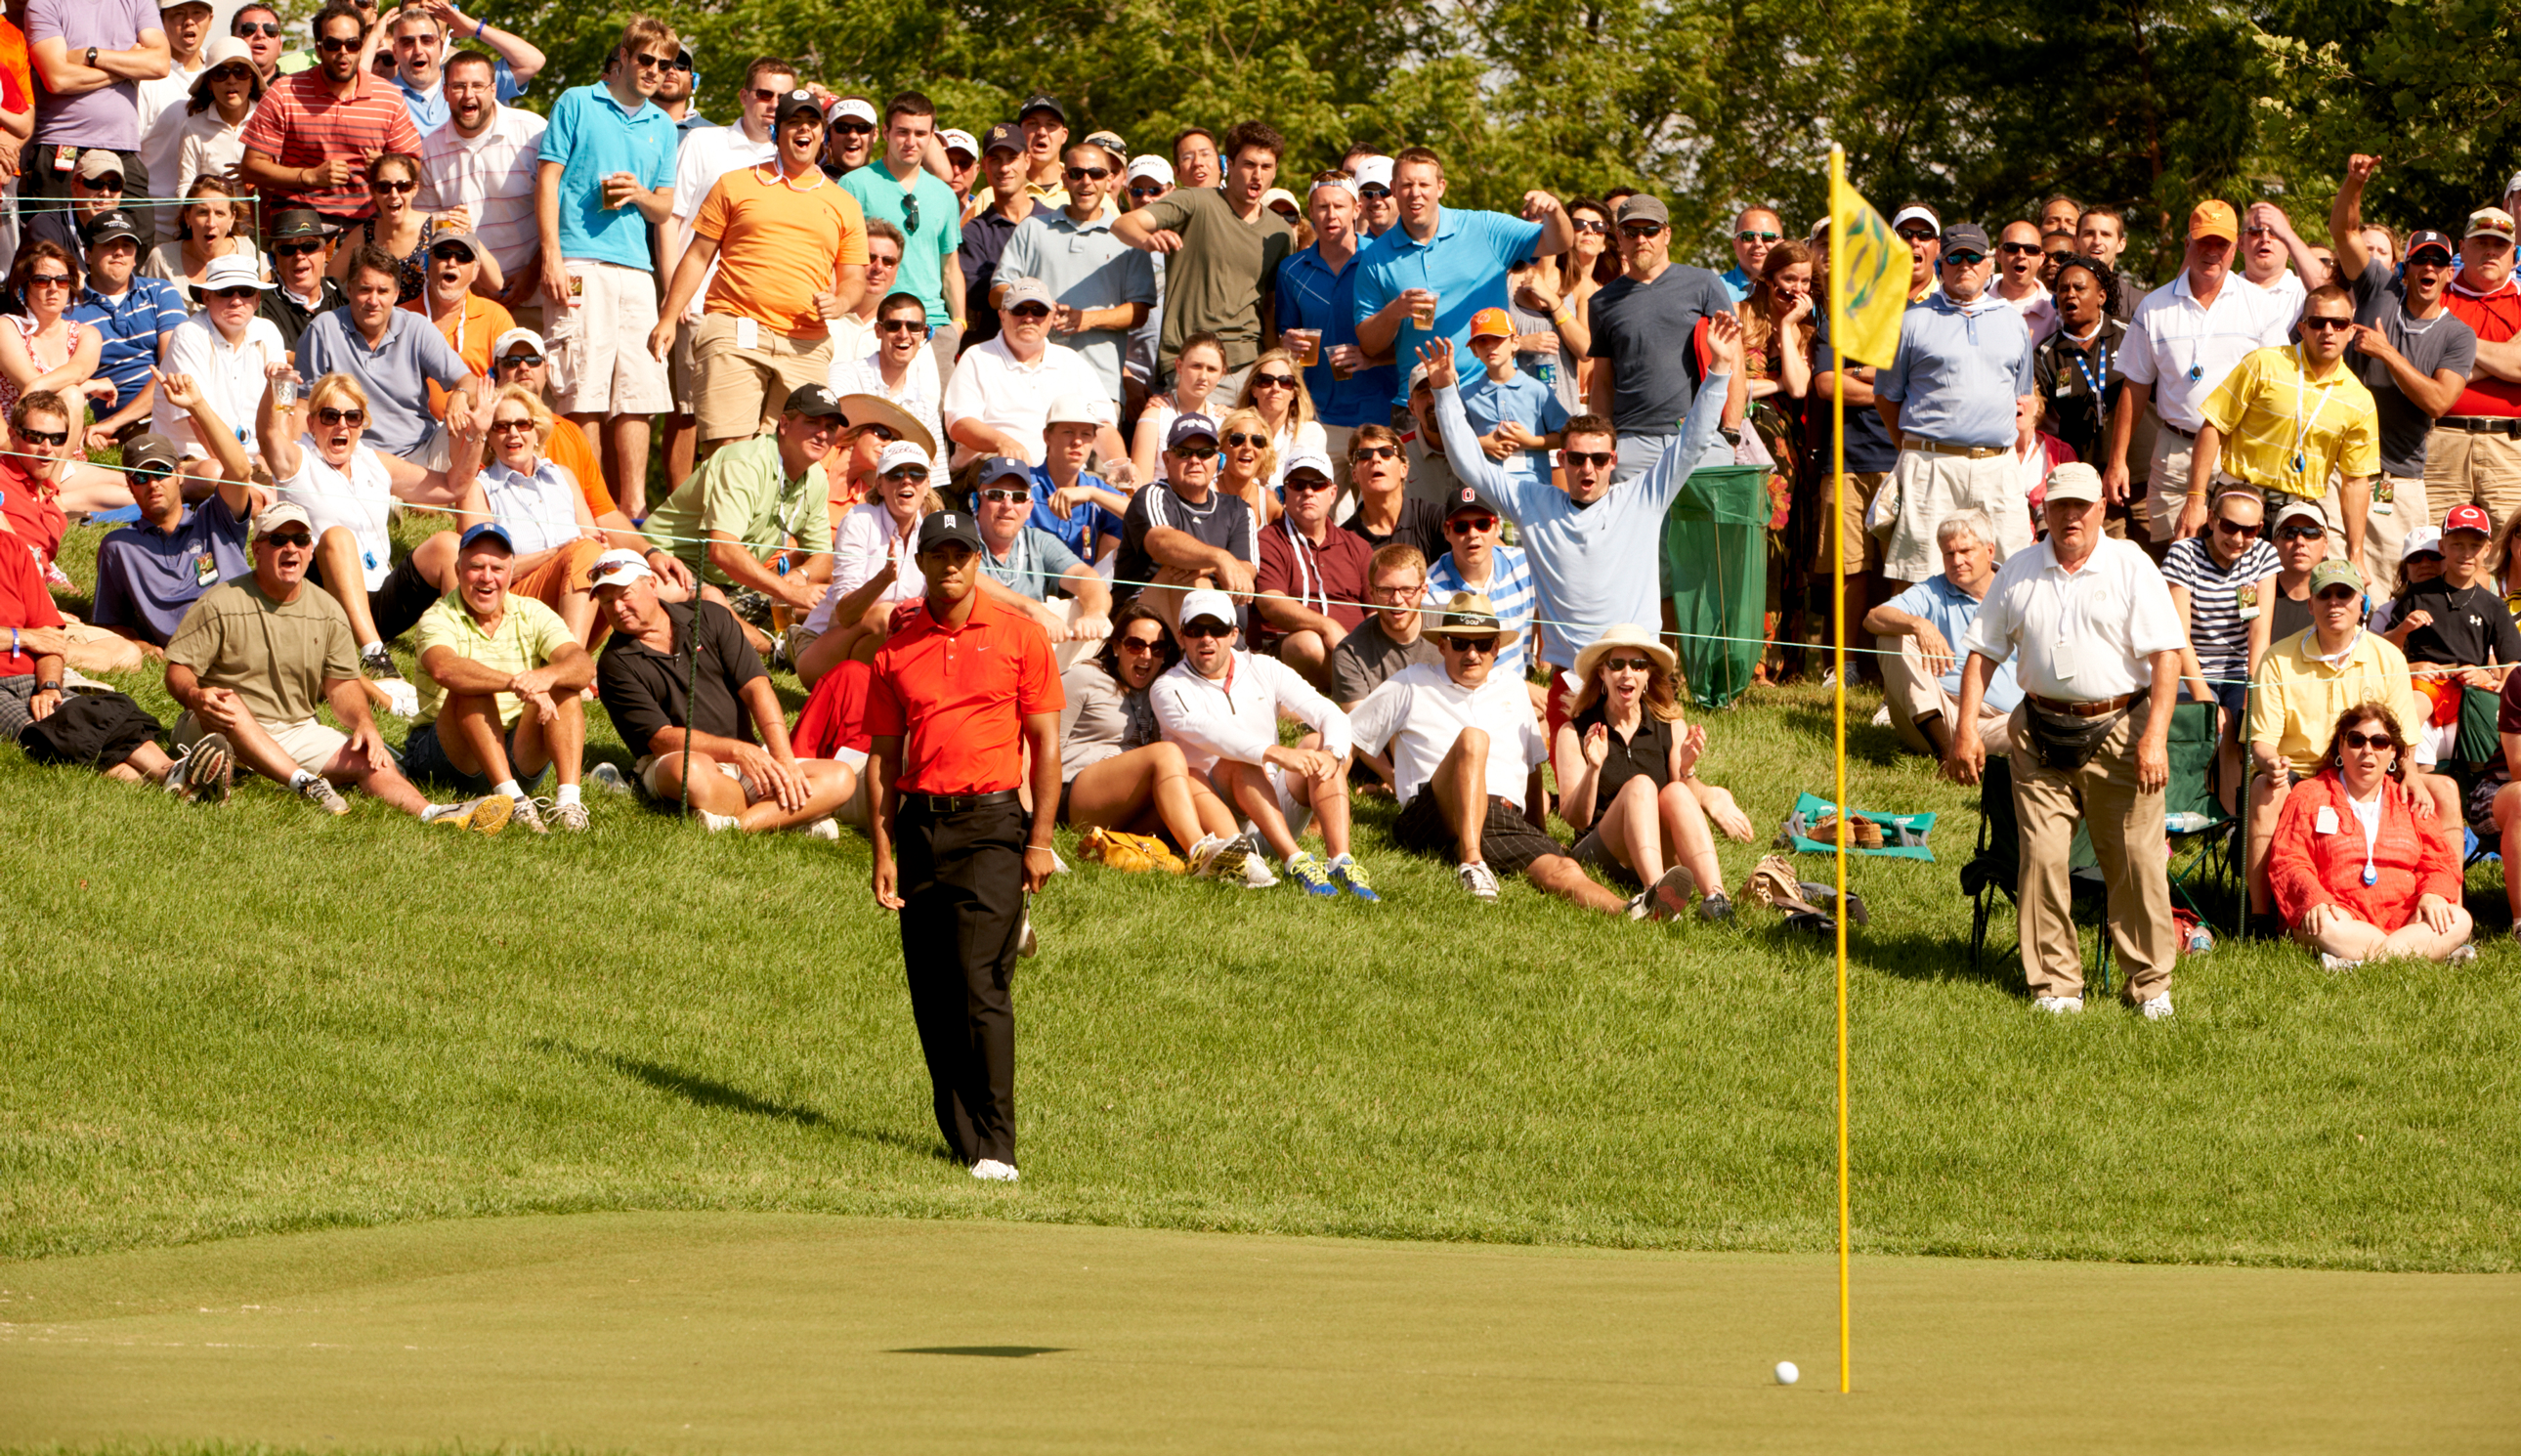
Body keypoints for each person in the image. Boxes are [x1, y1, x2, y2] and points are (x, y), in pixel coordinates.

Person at [864, 508, 1063, 1181]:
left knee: (981, 983)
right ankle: (962, 1140)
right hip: (920, 825)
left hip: (992, 825)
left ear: (980, 560)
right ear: (920, 562)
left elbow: (1047, 747)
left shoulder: (1019, 636)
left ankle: (999, 1146)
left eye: (963, 554)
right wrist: (882, 852)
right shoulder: (895, 648)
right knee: (932, 991)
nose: (951, 566)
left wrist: (1040, 840)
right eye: (939, 554)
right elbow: (881, 762)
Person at [1947, 462, 2185, 1019]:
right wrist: (1963, 730)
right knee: (2043, 859)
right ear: (2044, 512)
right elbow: (1981, 653)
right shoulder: (2018, 571)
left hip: (2123, 727)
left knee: (2136, 860)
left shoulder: (2132, 566)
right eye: (2060, 507)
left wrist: (2154, 738)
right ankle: (2056, 985)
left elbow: (2166, 658)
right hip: (2037, 730)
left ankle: (2150, 986)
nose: (2071, 517)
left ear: (2102, 508)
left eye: (2082, 506)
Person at [1425, 321, 1736, 738]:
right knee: (1576, 803)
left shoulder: (1643, 496)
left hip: (1638, 677)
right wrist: (1445, 392)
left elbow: (1693, 441)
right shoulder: (1532, 503)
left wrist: (1718, 369)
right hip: (1571, 682)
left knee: (1666, 791)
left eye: (1599, 459)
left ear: (1614, 459)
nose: (1587, 469)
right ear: (1562, 459)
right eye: (1576, 459)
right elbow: (1469, 465)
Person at [163, 499, 512, 830]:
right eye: (278, 540)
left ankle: (434, 813)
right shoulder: (222, 601)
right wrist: (196, 695)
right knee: (227, 702)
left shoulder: (328, 610)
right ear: (256, 549)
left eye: (300, 540)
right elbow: (177, 669)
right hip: (218, 726)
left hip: (295, 729)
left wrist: (365, 724)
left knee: (370, 757)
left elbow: (343, 685)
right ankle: (304, 783)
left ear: (310, 550)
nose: (291, 549)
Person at [1346, 589, 1612, 911]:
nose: (1472, 653)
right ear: (1442, 645)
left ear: (1496, 648)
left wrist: (1537, 830)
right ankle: (1472, 863)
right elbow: (1348, 738)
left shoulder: (1512, 686)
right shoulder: (1410, 683)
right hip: (1432, 813)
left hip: (1499, 815)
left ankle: (1635, 909)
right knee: (1473, 739)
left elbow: (1531, 768)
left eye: (1483, 644)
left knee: (1563, 867)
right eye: (1460, 642)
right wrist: (1325, 813)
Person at [652, 87, 868, 454]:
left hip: (805, 342)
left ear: (822, 134)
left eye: (812, 122)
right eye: (794, 122)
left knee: (798, 455)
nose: (804, 129)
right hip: (735, 329)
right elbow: (697, 255)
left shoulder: (844, 203)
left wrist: (841, 301)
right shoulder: (734, 183)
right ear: (777, 131)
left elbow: (854, 278)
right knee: (731, 454)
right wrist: (668, 318)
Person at [592, 547, 857, 835]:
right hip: (684, 761)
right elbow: (661, 740)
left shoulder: (711, 616)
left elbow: (757, 688)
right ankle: (791, 816)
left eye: (625, 595)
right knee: (687, 772)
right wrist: (737, 751)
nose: (617, 608)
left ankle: (740, 825)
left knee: (841, 777)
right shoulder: (613, 664)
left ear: (652, 585)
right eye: (607, 602)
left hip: (748, 758)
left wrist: (784, 761)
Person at [534, 17, 679, 518]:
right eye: (646, 60)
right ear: (624, 55)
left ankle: (635, 506)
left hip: (637, 271)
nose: (655, 71)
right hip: (578, 260)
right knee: (582, 390)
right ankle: (590, 508)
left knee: (638, 392)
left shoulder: (663, 125)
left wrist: (639, 194)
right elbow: (548, 180)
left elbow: (664, 208)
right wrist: (551, 253)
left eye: (665, 65)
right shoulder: (576, 101)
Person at [259, 367, 484, 689]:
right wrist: (274, 389)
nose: (341, 425)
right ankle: (374, 655)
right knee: (337, 536)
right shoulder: (298, 462)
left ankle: (462, 652)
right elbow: (268, 436)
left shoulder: (375, 462)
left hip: (380, 594)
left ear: (362, 425)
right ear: (311, 423)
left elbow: (452, 487)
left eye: (352, 417)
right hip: (324, 599)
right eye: (330, 415)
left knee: (448, 544)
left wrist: (479, 435)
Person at [2247, 559, 2446, 913]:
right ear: (2310, 605)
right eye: (2324, 595)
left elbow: (2402, 736)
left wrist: (2412, 773)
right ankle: (2261, 917)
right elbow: (2261, 740)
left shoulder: (2388, 656)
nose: (2334, 603)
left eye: (2344, 594)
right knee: (2265, 789)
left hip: (2366, 771)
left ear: (2362, 604)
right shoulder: (2277, 658)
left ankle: (2445, 908)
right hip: (2302, 773)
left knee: (2444, 790)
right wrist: (2271, 763)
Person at [1148, 586, 1366, 896]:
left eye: (1217, 629)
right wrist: (1273, 753)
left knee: (1319, 745)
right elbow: (1205, 730)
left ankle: (1340, 861)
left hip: (1271, 803)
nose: (1206, 639)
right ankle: (1295, 860)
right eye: (1196, 630)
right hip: (1216, 815)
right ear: (1182, 636)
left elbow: (1328, 711)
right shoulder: (1167, 687)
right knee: (1238, 761)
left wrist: (1334, 754)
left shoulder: (1264, 667)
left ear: (1234, 634)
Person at [2105, 200, 2296, 547]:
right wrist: (2117, 461)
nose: (2212, 252)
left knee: (2234, 555)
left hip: (2237, 452)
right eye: (2203, 241)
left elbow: (2278, 387)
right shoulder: (2154, 306)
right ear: (2187, 244)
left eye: (2220, 244)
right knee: (2170, 556)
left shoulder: (2260, 305)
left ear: (2235, 247)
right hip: (2174, 449)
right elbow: (2135, 386)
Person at [1355, 147, 1571, 431]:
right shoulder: (1375, 256)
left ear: (1441, 187)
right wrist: (1395, 311)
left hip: (1489, 393)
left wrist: (1554, 211)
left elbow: (1559, 243)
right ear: (1394, 189)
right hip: (1418, 401)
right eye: (1407, 185)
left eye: (1424, 184)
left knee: (1496, 477)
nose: (1415, 192)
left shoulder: (1483, 227)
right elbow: (1369, 344)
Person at [1872, 223, 2037, 581]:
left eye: (1974, 256)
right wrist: (1912, 450)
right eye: (1955, 257)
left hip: (1997, 466)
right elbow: (1886, 398)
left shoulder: (2012, 321)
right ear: (1940, 264)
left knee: (2012, 575)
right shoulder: (1910, 322)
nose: (1966, 264)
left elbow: (2021, 396)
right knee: (1920, 578)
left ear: (1989, 264)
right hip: (1930, 465)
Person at [404, 522, 592, 833]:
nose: (486, 577)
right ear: (458, 569)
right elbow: (444, 668)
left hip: (515, 747)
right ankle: (513, 801)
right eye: (476, 567)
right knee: (468, 685)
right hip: (445, 754)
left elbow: (582, 665)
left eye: (497, 567)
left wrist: (547, 677)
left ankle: (568, 804)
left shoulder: (532, 612)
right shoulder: (438, 616)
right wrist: (516, 682)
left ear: (512, 572)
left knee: (566, 687)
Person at [2328, 161, 2471, 564]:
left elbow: (2439, 401)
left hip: (2398, 477)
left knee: (2394, 586)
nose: (2429, 267)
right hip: (2337, 467)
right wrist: (2355, 182)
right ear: (2404, 269)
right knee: (2333, 577)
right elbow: (2343, 231)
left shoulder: (2457, 334)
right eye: (2420, 260)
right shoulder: (2379, 286)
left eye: (2438, 262)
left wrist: (2387, 352)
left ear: (2448, 275)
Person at [2187, 283, 2380, 569]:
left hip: (2298, 517)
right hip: (2238, 502)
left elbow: (2354, 481)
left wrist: (2356, 554)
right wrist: (2195, 500)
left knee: (2290, 604)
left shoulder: (2360, 399)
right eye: (2318, 322)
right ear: (2302, 328)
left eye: (2339, 323)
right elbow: (2213, 426)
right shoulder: (2264, 363)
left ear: (2351, 331)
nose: (2328, 331)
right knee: (2217, 597)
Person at [1550, 622, 1735, 920]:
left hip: (1657, 848)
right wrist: (1593, 769)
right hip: (1600, 850)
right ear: (1602, 673)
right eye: (1617, 664)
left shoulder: (1671, 727)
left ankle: (1716, 898)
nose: (1627, 673)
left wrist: (1686, 770)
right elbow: (1574, 817)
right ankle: (1656, 895)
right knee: (1641, 786)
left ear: (1648, 674)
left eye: (1637, 665)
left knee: (1674, 790)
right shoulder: (1575, 732)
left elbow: (1683, 807)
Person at [2266, 701, 2472, 967]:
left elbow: (2439, 860)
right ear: (2341, 746)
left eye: (2379, 742)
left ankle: (2358, 961)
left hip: (2404, 916)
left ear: (2393, 753)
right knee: (2321, 924)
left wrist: (2432, 893)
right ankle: (2415, 955)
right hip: (2340, 915)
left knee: (2460, 919)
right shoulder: (2309, 794)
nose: (2368, 751)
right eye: (2356, 740)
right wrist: (2313, 899)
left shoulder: (2409, 798)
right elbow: (2289, 858)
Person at [1056, 603, 1254, 875]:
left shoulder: (1161, 688)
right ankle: (1200, 852)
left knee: (1192, 774)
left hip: (1129, 804)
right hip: (1077, 796)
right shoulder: (1085, 677)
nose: (1147, 655)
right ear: (1116, 646)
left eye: (1157, 648)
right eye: (1136, 645)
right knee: (1168, 753)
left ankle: (1245, 862)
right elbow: (1046, 745)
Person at [1112, 118, 1296, 388]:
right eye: (1249, 165)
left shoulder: (1279, 231)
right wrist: (1148, 239)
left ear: (1276, 169)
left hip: (1250, 368)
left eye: (1266, 166)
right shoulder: (1195, 201)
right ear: (1229, 165)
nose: (1258, 175)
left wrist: (1273, 368)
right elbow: (1122, 224)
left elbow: (1270, 310)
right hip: (1191, 363)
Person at [640, 380, 840, 622]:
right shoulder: (745, 463)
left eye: (830, 427)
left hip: (733, 582)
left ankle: (788, 647)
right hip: (671, 568)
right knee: (715, 604)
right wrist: (788, 590)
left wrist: (801, 575)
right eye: (812, 422)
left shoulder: (816, 476)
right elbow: (722, 549)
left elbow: (824, 555)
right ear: (784, 424)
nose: (822, 434)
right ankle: (774, 651)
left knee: (834, 610)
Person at [238, 2, 424, 229]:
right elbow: (250, 167)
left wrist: (387, 165)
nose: (343, 52)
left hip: (367, 227)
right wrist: (308, 176)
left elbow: (413, 164)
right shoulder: (284, 92)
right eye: (333, 44)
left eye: (352, 44)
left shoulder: (389, 97)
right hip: (300, 226)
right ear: (318, 49)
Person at [996, 137, 1152, 405]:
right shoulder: (1032, 229)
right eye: (1077, 173)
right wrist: (1036, 307)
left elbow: (1140, 311)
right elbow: (998, 291)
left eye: (1096, 174)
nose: (1086, 182)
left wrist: (1088, 319)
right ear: (1064, 178)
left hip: (1100, 386)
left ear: (1110, 179)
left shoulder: (1128, 238)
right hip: (1030, 381)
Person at [296, 244, 482, 468]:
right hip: (352, 459)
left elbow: (469, 381)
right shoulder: (323, 330)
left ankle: (465, 494)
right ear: (350, 289)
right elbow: (303, 405)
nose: (373, 300)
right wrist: (300, 465)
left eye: (383, 291)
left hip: (421, 453)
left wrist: (460, 394)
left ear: (395, 294)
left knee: (478, 413)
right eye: (365, 289)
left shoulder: (417, 328)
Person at [90, 402, 251, 654]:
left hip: (248, 631)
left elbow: (240, 471)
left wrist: (197, 405)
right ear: (130, 485)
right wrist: (141, 646)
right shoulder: (119, 546)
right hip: (192, 653)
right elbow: (111, 623)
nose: (153, 484)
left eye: (162, 472)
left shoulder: (215, 516)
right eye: (141, 477)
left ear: (180, 474)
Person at [1862, 510, 2021, 760]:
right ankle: (1946, 755)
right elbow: (1874, 617)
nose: (1956, 560)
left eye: (1966, 551)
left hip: (2001, 722)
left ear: (1990, 551)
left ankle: (1966, 748)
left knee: (2042, 733)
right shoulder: (1935, 589)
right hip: (1936, 717)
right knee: (1893, 635)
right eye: (1949, 553)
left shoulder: (2019, 589)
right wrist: (1919, 624)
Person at [23, 0, 169, 248]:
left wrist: (92, 55)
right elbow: (58, 79)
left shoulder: (137, 2)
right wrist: (129, 65)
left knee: (138, 239)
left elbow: (160, 63)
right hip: (61, 145)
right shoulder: (44, 3)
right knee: (52, 248)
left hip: (122, 148)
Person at [838, 92, 964, 377]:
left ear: (931, 136)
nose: (911, 142)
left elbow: (950, 268)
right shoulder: (854, 185)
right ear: (885, 132)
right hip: (873, 323)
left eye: (921, 133)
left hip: (932, 328)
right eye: (903, 132)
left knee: (931, 420)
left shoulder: (944, 195)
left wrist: (958, 324)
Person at [472, 384, 612, 641]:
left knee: (622, 569)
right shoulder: (480, 487)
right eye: (501, 426)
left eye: (522, 424)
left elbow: (592, 540)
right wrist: (556, 553)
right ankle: (572, 666)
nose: (512, 433)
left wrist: (601, 545)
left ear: (537, 432)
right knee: (585, 552)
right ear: (490, 438)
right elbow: (481, 571)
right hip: (514, 602)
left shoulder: (563, 477)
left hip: (572, 591)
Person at [415, 50, 548, 319]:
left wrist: (532, 273)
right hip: (472, 306)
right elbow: (426, 233)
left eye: (477, 85)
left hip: (539, 299)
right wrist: (474, 280)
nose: (468, 95)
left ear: (493, 89)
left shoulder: (532, 132)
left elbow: (562, 210)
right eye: (458, 86)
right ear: (444, 91)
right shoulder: (429, 150)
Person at [1275, 174, 1392, 475]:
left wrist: (1371, 358)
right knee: (1318, 518)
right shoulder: (1291, 270)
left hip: (1379, 415)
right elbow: (1283, 335)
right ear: (1310, 212)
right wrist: (1284, 344)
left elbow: (1409, 338)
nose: (1331, 215)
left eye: (1339, 206)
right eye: (1322, 207)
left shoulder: (1381, 259)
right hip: (1316, 420)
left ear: (1356, 209)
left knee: (1378, 517)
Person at [941, 276, 1123, 467]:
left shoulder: (1073, 362)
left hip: (1060, 484)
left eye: (1039, 310)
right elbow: (959, 424)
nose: (1029, 318)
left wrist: (1121, 468)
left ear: (1051, 317)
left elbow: (1103, 426)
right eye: (1019, 309)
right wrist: (1003, 443)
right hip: (991, 480)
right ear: (1002, 315)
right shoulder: (977, 357)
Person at [1113, 412, 1258, 634]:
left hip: (1225, 624)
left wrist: (1211, 565)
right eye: (1183, 452)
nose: (1195, 460)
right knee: (1182, 575)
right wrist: (1220, 558)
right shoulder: (1152, 494)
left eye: (1205, 453)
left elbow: (1245, 571)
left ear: (1218, 459)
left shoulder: (1238, 509)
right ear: (1166, 459)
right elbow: (1162, 543)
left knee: (1194, 575)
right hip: (1144, 622)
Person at [2426, 205, 2521, 533]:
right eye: (2481, 242)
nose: (2491, 251)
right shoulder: (2433, 295)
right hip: (2441, 441)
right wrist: (2505, 357)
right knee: (2438, 548)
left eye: (2500, 245)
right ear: (2462, 249)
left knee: (2515, 554)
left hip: (2511, 448)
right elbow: (2423, 370)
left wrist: (2454, 348)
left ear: (2514, 254)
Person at [152, 252, 285, 472]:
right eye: (225, 292)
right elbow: (197, 421)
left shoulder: (268, 332)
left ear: (257, 299)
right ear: (206, 297)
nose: (236, 301)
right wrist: (241, 471)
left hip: (252, 458)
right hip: (192, 457)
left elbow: (283, 410)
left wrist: (273, 461)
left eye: (246, 292)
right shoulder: (189, 334)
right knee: (216, 472)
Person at [1252, 447, 1371, 686]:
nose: (1308, 492)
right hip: (1289, 647)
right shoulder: (1268, 539)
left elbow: (1375, 608)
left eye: (1317, 484)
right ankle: (1360, 685)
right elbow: (1271, 603)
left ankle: (1362, 677)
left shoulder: (1357, 545)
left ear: (1332, 492)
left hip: (1355, 647)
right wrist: (1327, 626)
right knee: (1309, 644)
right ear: (1283, 493)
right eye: (1297, 485)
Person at [971, 451, 1113, 647]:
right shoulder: (961, 537)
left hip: (1029, 652)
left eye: (1018, 497)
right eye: (996, 495)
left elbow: (1085, 576)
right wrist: (1032, 609)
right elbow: (964, 576)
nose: (1007, 505)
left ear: (1029, 507)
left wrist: (1095, 614)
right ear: (977, 501)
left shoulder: (1038, 541)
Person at [71, 209, 184, 449]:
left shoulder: (160, 292)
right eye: (109, 244)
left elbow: (174, 367)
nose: (119, 252)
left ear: (135, 257)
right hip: (131, 427)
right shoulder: (69, 311)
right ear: (88, 254)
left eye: (127, 245)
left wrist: (113, 423)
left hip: (175, 407)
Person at [1423, 482, 1535, 686]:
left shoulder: (1525, 566)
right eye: (1461, 526)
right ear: (1446, 532)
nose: (1473, 534)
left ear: (1497, 528)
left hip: (1519, 692)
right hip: (1458, 695)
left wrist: (1543, 659)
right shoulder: (1430, 588)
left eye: (1482, 524)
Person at [956, 122, 1048, 359]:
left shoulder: (1054, 223)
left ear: (1027, 161)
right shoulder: (973, 232)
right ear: (984, 165)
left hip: (1053, 352)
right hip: (996, 356)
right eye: (996, 159)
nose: (1004, 167)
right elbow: (981, 296)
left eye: (1012, 158)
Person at [0, 240, 111, 432]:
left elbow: (78, 371)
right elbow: (30, 385)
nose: (53, 288)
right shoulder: (6, 328)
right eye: (42, 280)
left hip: (62, 441)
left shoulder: (87, 335)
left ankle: (62, 460)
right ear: (24, 287)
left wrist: (81, 382)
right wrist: (87, 386)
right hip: (15, 438)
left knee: (72, 393)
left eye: (62, 280)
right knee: (72, 392)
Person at [381, 1, 537, 133]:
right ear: (395, 50)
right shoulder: (383, 90)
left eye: (427, 40)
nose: (423, 3)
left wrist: (475, 28)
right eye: (407, 42)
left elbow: (531, 63)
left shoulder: (471, 74)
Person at [2031, 255, 2126, 468]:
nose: (2069, 294)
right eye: (2063, 289)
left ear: (2101, 296)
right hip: (2079, 474)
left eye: (2079, 288)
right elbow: (2032, 409)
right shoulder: (2047, 353)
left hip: (2137, 470)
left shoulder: (2131, 334)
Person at [1331, 541, 1439, 716]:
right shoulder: (1350, 654)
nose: (1397, 599)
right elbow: (1362, 729)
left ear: (1424, 590)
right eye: (1386, 590)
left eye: (1407, 589)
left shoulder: (1451, 627)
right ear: (1371, 592)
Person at [1025, 391, 1126, 564]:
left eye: (1086, 434)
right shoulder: (1024, 482)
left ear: (1094, 440)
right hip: (1028, 587)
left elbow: (1141, 516)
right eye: (1068, 432)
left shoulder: (1093, 488)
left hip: (1082, 588)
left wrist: (1092, 494)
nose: (1077, 441)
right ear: (1047, 437)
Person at [1339, 420, 1446, 562]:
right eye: (1364, 455)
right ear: (1354, 475)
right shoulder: (1343, 541)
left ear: (1404, 469)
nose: (1376, 459)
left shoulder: (1435, 519)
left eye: (1386, 452)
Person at [1128, 329, 1226, 485]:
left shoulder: (1225, 419)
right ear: (1179, 366)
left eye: (1212, 369)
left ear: (1222, 374)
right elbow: (1140, 486)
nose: (1203, 376)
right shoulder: (1155, 415)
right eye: (1196, 366)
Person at [170, 34, 256, 196]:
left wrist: (257, 174)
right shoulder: (193, 128)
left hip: (264, 220)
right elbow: (186, 187)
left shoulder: (270, 120)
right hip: (213, 221)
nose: (231, 80)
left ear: (252, 80)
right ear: (209, 83)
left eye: (240, 72)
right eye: (220, 73)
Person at [143, 174, 260, 293]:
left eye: (219, 213)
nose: (211, 223)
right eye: (202, 212)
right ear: (187, 216)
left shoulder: (250, 253)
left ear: (232, 219)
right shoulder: (161, 259)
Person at [258, 209, 346, 352]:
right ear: (273, 260)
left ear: (324, 253)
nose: (299, 256)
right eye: (287, 249)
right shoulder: (261, 303)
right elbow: (279, 357)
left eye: (309, 246)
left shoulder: (343, 294)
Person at [1989, 220, 2056, 342]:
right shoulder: (1977, 305)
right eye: (2012, 248)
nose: (2021, 255)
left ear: (2041, 259)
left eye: (2031, 249)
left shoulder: (2055, 312)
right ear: (1998, 255)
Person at [1719, 206, 1782, 303]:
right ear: (1735, 244)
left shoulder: (1799, 291)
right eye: (1747, 236)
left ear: (1781, 245)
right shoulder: (1714, 290)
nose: (1757, 243)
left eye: (1768, 237)